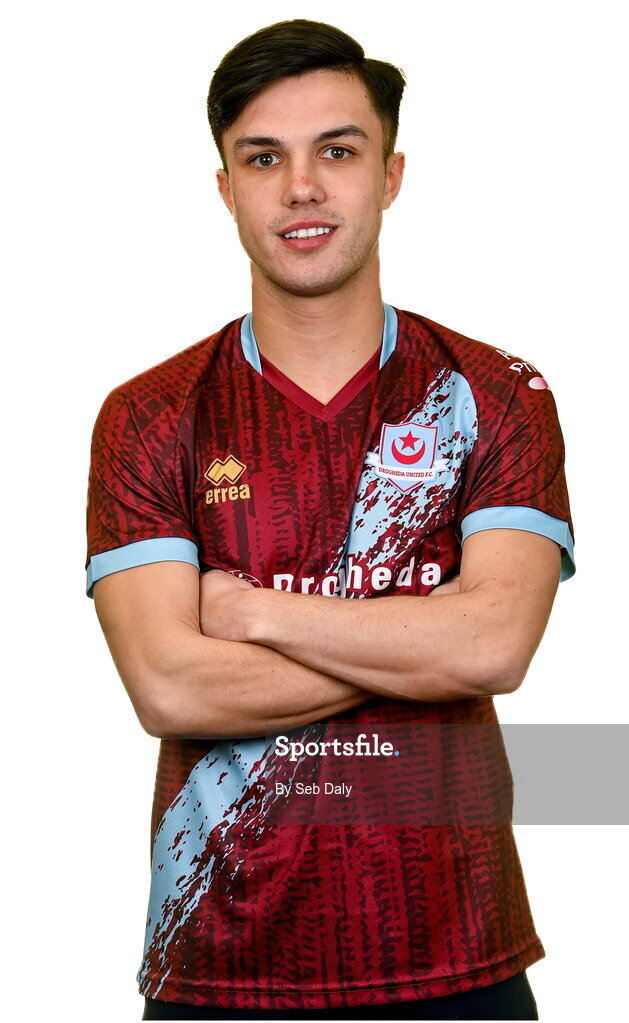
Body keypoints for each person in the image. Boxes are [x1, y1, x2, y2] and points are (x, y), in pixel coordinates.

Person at [86, 19, 574, 1021]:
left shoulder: (498, 392)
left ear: (389, 175)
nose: (301, 187)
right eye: (262, 158)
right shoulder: (148, 416)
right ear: (224, 189)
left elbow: (489, 648)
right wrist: (416, 637)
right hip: (220, 964)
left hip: (458, 960)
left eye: (336, 152)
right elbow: (169, 685)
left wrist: (252, 611)